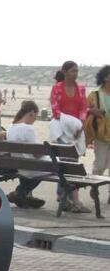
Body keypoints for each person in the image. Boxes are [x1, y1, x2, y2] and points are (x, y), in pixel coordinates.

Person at [49, 61, 90, 213]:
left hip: (75, 130)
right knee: (66, 164)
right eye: (73, 71)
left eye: (77, 71)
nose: (75, 73)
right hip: (62, 129)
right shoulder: (57, 88)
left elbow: (83, 108)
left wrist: (79, 126)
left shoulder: (81, 89)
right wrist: (69, 124)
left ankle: (65, 197)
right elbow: (55, 109)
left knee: (71, 162)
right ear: (65, 72)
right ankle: (66, 197)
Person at [5, 100, 47, 209]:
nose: (35, 119)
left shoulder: (10, 127)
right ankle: (19, 193)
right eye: (35, 116)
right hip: (31, 168)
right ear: (31, 113)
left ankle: (22, 195)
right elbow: (37, 154)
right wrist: (46, 152)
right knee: (54, 166)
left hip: (19, 166)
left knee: (43, 167)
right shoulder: (28, 129)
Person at [85, 65, 110, 204]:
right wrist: (92, 111)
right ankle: (95, 187)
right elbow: (85, 110)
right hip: (101, 134)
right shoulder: (95, 94)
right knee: (100, 164)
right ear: (106, 77)